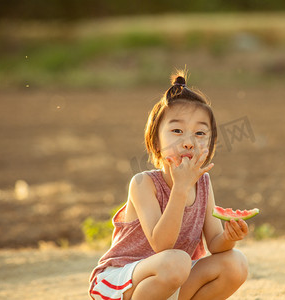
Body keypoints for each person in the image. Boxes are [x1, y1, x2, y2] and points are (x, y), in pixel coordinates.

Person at [89, 70, 249, 300]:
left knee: (236, 263)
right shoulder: (143, 183)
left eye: (200, 133)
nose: (188, 142)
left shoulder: (203, 182)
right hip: (124, 280)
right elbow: (162, 245)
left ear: (210, 144)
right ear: (155, 141)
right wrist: (180, 189)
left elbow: (215, 243)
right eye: (177, 131)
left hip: (172, 275)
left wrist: (230, 237)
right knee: (177, 261)